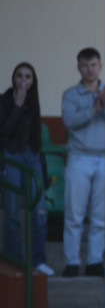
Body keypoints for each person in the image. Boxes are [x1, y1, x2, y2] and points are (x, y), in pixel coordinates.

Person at [61, 47, 105, 277]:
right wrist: (94, 108)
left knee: (100, 216)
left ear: (100, 66)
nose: (89, 69)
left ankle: (94, 261)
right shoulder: (71, 94)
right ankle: (71, 261)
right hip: (79, 157)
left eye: (93, 65)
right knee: (74, 215)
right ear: (79, 67)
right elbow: (69, 120)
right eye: (85, 65)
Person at [1, 62, 54, 275]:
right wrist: (16, 105)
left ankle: (38, 260)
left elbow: (36, 139)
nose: (24, 81)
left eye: (28, 77)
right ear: (14, 78)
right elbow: (4, 134)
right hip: (11, 156)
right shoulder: (5, 100)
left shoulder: (34, 102)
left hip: (31, 158)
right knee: (12, 213)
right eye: (20, 76)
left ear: (33, 81)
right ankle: (15, 261)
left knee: (39, 212)